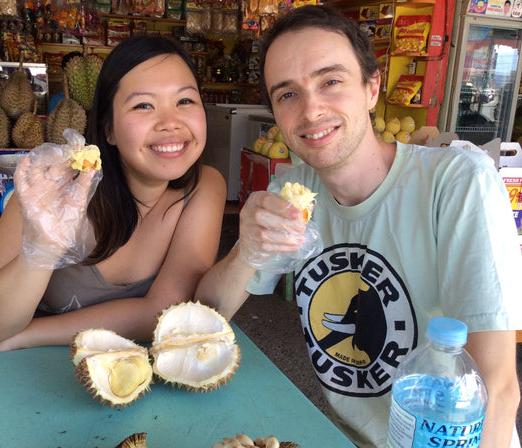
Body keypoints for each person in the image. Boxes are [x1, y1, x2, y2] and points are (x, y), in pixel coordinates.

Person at [195, 5, 522, 448]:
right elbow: (207, 315)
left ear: (372, 88)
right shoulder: (293, 186)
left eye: (331, 82)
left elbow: (498, 388)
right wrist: (245, 251)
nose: (311, 110)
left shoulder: (458, 183)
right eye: (287, 94)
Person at [0, 35, 226, 354]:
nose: (171, 123)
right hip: (19, 371)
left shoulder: (204, 186)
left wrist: (26, 336)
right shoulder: (51, 189)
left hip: (113, 371)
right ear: (109, 130)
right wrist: (43, 248)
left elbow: (165, 312)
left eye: (185, 101)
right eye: (144, 105)